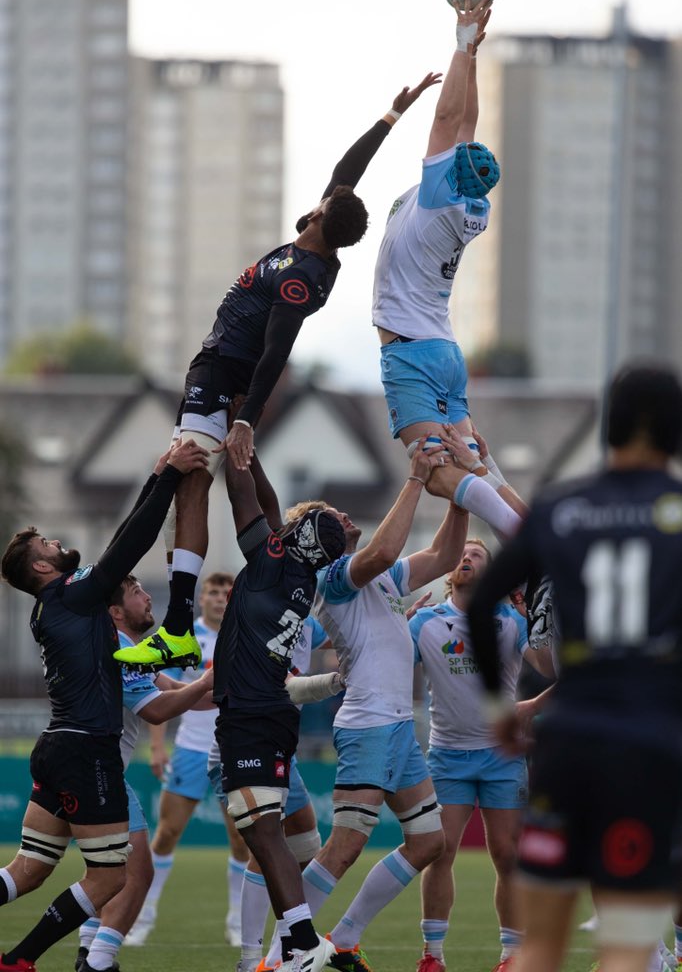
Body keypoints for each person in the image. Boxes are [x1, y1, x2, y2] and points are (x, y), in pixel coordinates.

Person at [114, 73, 443, 672]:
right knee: (191, 478)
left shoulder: (302, 278)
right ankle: (180, 623)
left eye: (322, 198)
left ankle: (180, 624)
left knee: (187, 472)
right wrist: (392, 117)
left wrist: (243, 418)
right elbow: (350, 170)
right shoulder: (320, 236)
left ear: (318, 214)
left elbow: (274, 353)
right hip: (218, 371)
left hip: (222, 373)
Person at [467, 362, 682, 972]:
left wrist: (497, 708)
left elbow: (485, 601)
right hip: (649, 748)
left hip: (568, 742)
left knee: (539, 948)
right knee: (624, 950)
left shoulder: (563, 507)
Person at [259, 434, 470, 972]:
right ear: (319, 537)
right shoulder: (333, 578)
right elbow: (383, 551)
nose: (346, 514)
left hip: (396, 728)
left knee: (428, 843)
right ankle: (279, 957)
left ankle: (344, 940)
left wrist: (460, 494)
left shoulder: (375, 581)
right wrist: (419, 478)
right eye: (332, 514)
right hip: (370, 727)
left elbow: (444, 555)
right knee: (344, 848)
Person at [0, 437, 207, 972]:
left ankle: (32, 960)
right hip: (88, 751)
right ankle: (23, 960)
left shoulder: (55, 606)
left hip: (57, 750)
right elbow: (128, 547)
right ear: (42, 569)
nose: (56, 542)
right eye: (47, 543)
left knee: (28, 870)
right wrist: (166, 479)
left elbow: (119, 545)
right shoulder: (71, 594)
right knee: (113, 877)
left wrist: (159, 472)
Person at [371, 0, 525, 544]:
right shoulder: (468, 203)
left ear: (451, 172)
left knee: (438, 473)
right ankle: (533, 536)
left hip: (414, 352)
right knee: (478, 461)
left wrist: (461, 43)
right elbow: (467, 122)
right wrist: (475, 59)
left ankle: (528, 550)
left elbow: (446, 117)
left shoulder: (437, 196)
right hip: (440, 351)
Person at [214, 440, 348, 972]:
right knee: (265, 832)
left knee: (263, 832)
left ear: (297, 536)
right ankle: (297, 940)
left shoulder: (272, 564)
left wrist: (234, 450)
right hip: (269, 710)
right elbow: (271, 513)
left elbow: (243, 498)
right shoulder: (299, 573)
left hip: (251, 711)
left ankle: (302, 943)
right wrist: (252, 451)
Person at [409, 540, 554, 972]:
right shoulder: (426, 622)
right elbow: (381, 665)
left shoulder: (511, 621)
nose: (467, 557)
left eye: (478, 554)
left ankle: (511, 957)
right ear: (449, 570)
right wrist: (396, 622)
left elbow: (550, 667)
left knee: (507, 856)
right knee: (440, 852)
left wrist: (533, 705)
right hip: (448, 755)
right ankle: (432, 956)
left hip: (500, 757)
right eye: (462, 553)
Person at [76, 574, 214, 972]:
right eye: (138, 593)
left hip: (80, 768)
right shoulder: (119, 648)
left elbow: (180, 694)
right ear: (116, 612)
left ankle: (88, 953)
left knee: (83, 872)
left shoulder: (133, 650)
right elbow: (159, 709)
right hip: (97, 774)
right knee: (135, 873)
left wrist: (230, 688)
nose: (148, 596)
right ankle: (98, 960)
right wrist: (207, 678)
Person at [123, 572, 244, 948]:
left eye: (227, 592)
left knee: (241, 840)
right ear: (202, 598)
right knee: (167, 834)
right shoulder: (183, 637)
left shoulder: (242, 633)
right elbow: (161, 691)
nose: (220, 598)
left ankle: (237, 922)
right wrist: (158, 748)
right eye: (213, 591)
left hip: (233, 750)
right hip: (191, 749)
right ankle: (143, 918)